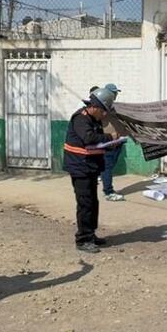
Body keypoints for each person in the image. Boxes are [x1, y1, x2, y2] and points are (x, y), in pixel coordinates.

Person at [64, 87, 118, 253]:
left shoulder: (94, 120)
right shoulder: (80, 119)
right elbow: (89, 139)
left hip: (90, 167)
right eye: (103, 111)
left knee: (93, 203)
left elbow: (97, 144)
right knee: (85, 204)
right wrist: (110, 138)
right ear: (95, 107)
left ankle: (90, 234)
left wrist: (113, 144)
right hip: (80, 168)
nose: (104, 115)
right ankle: (83, 239)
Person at [92, 84, 127, 201]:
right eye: (113, 93)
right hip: (108, 143)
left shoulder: (116, 107)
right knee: (107, 167)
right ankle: (108, 191)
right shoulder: (102, 108)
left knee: (109, 166)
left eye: (116, 93)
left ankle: (102, 182)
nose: (115, 95)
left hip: (118, 142)